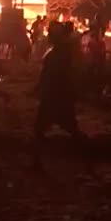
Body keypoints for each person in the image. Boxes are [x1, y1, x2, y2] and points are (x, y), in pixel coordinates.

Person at [34, 21, 83, 164]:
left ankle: (85, 154)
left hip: (56, 97)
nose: (48, 35)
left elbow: (58, 75)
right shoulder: (59, 52)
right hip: (58, 97)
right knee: (41, 128)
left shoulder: (61, 54)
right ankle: (36, 161)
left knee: (43, 128)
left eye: (51, 34)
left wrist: (42, 88)